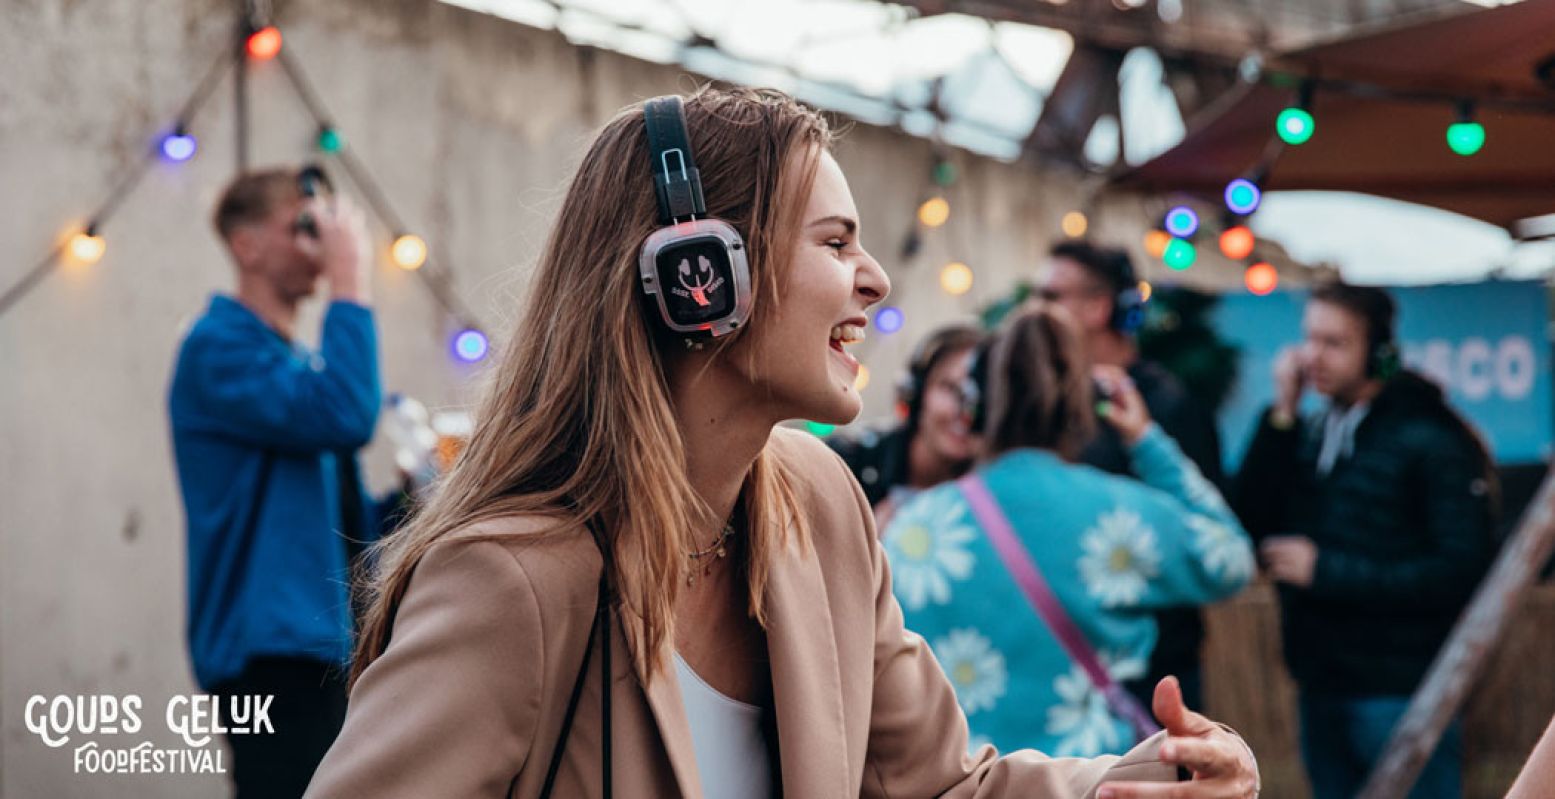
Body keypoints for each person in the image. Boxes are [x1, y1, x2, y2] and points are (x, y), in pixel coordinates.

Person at [304, 87, 1259, 798]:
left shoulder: (822, 502)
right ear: (696, 279)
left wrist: (1121, 784)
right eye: (836, 243)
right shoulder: (510, 579)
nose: (875, 279)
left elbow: (935, 785)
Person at [882, 302, 1254, 759]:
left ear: (975, 407)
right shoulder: (1120, 517)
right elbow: (1231, 557)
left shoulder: (912, 531)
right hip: (1091, 779)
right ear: (1085, 404)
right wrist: (1145, 440)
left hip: (963, 781)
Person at [168, 167, 400, 797]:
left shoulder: (297, 366)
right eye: (302, 226)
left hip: (322, 644)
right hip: (267, 653)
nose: (317, 244)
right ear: (247, 246)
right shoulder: (216, 349)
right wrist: (351, 280)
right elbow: (347, 415)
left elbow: (336, 531)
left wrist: (411, 494)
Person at [1231, 280, 1498, 799]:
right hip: (1321, 681)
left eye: (1334, 343)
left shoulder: (1430, 438)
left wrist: (1325, 571)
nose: (1314, 357)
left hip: (1400, 689)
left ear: (1378, 353)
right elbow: (1251, 519)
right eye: (1309, 339)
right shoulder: (1312, 428)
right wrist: (1281, 415)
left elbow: (1461, 569)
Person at [1034, 241, 1225, 711]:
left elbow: (1206, 537)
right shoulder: (1053, 402)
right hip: (1068, 662)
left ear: (1098, 307)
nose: (1036, 310)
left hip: (1154, 669)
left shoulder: (1169, 406)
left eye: (1051, 295)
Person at [827, 323, 982, 528]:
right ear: (915, 394)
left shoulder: (990, 494)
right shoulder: (845, 464)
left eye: (979, 396)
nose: (965, 411)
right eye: (951, 388)